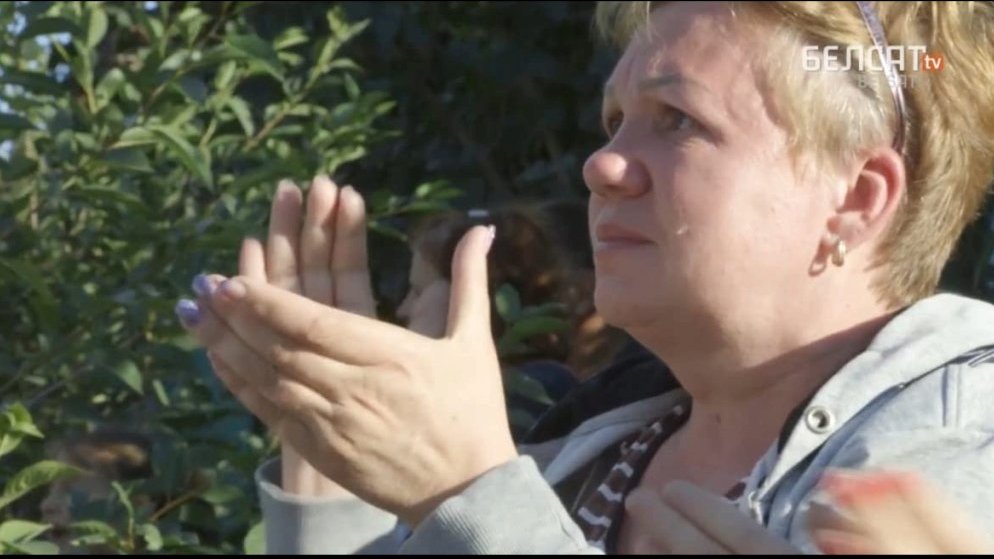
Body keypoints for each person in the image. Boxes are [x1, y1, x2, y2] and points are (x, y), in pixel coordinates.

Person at [174, 0, 994, 554]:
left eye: (678, 120)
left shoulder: (967, 443)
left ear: (855, 196)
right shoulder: (591, 449)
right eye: (613, 122)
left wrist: (467, 492)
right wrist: (329, 484)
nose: (602, 165)